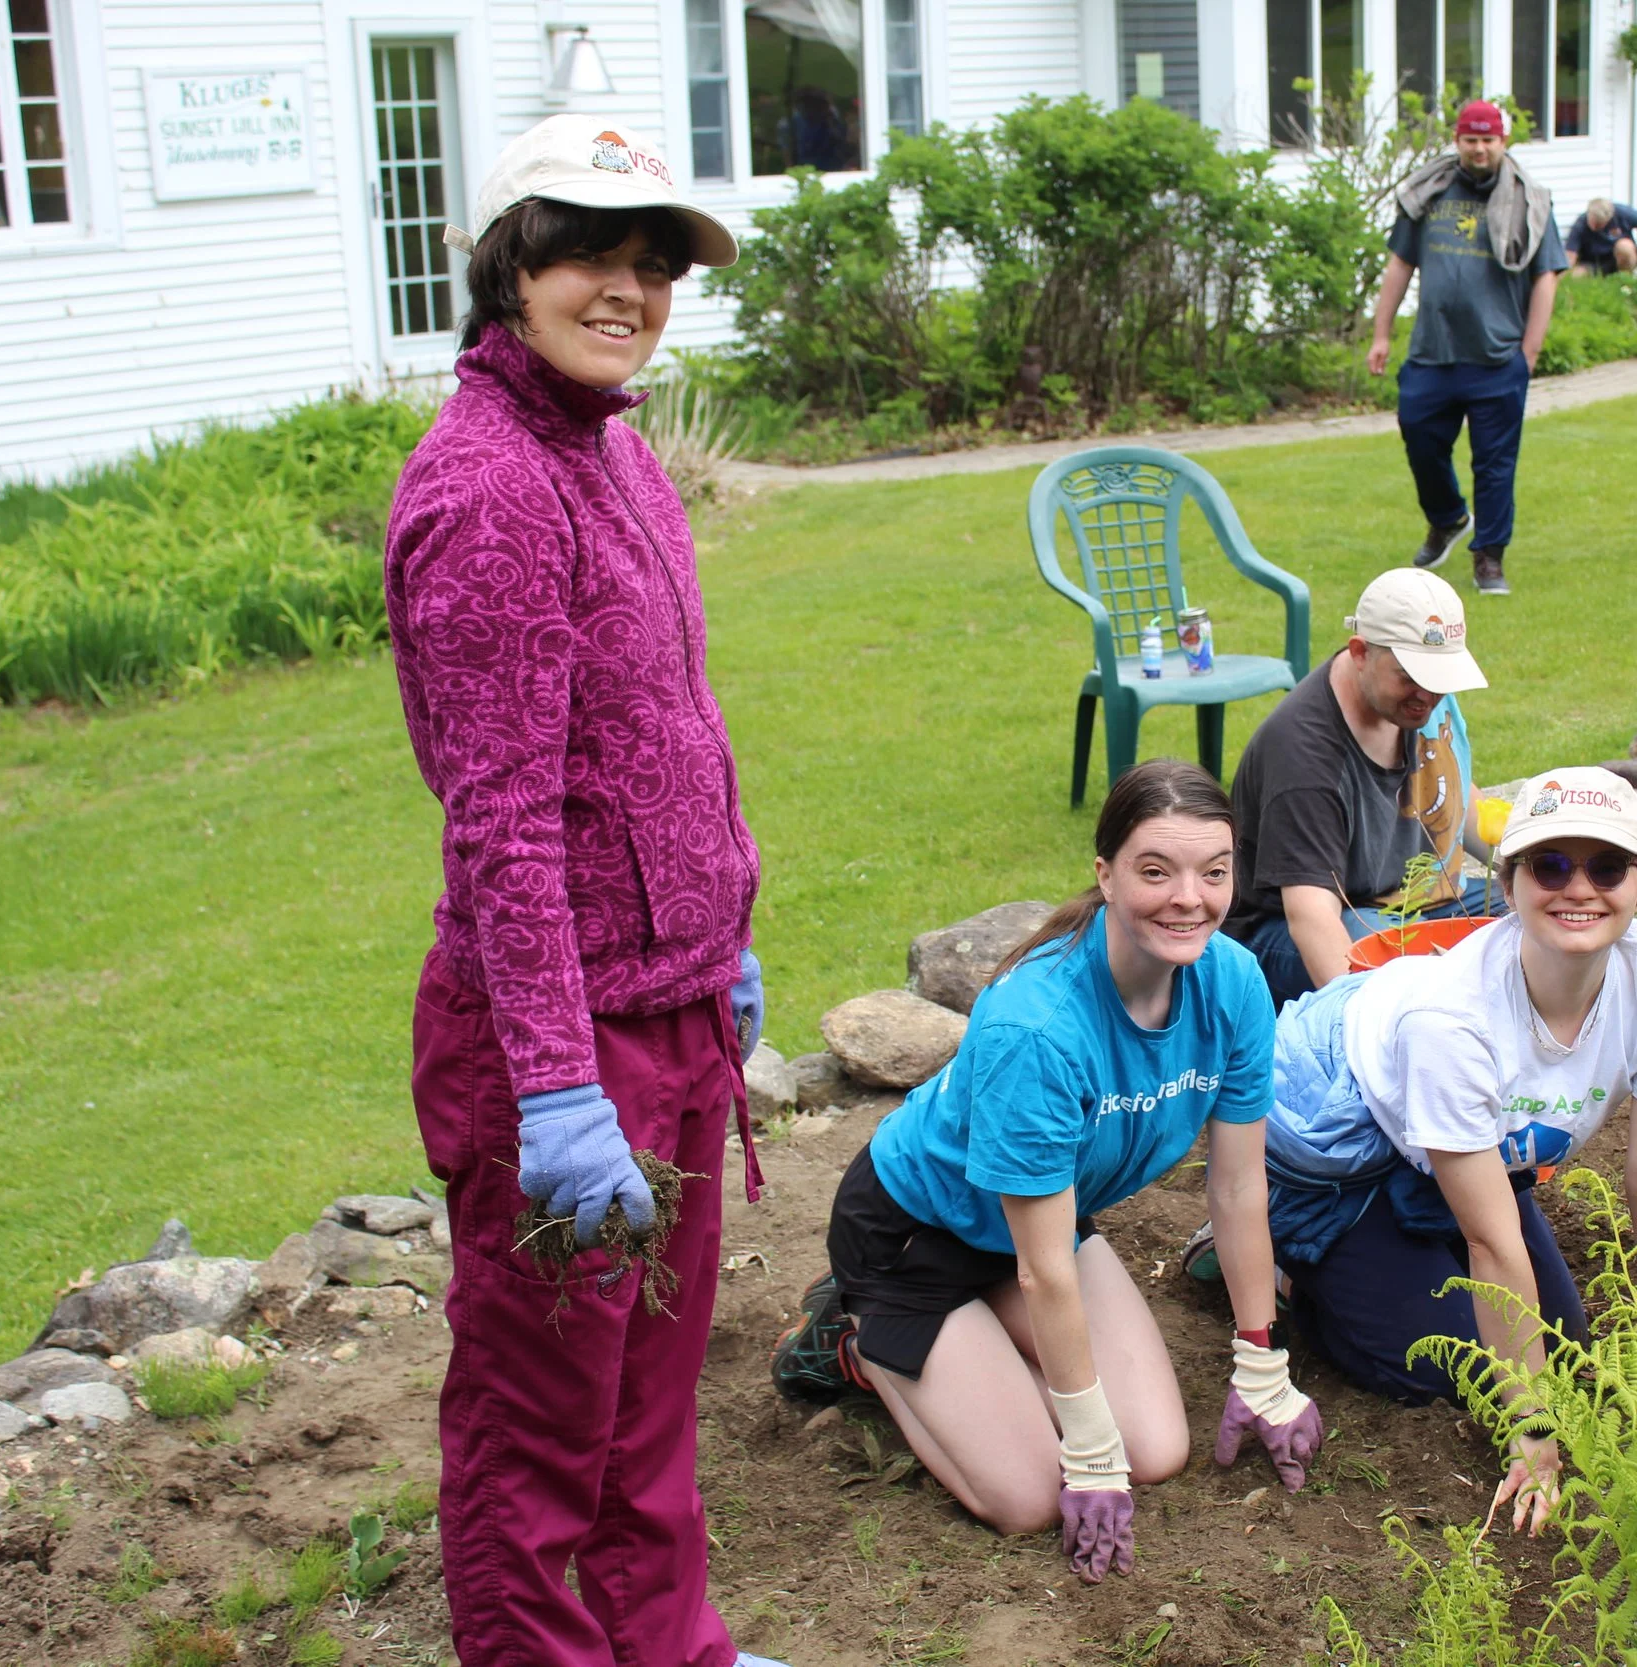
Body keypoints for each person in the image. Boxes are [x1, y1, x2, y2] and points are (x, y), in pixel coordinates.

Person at [385, 117, 787, 1667]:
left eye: (653, 263)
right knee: (539, 1426)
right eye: (589, 255)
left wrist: (724, 939)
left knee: (642, 1399)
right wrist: (554, 1082)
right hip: (560, 1044)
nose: (625, 289)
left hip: (671, 1004)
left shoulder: (613, 449)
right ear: (511, 265)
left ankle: (669, 1642)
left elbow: (665, 728)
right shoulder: (489, 491)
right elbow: (503, 824)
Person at [773, 761, 1321, 1583]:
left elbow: (1239, 1187)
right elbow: (1043, 1270)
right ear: (1104, 875)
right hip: (915, 1237)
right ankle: (852, 1339)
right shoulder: (1038, 1026)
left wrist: (1260, 1359)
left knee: (1160, 1450)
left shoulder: (1234, 983)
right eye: (1155, 870)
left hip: (1040, 1224)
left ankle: (975, 1362)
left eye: (1213, 872)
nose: (1189, 898)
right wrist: (1091, 1454)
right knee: (1034, 1493)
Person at [1260, 769, 1637, 1526]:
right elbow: (1490, 1235)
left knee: (1563, 1344)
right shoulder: (1456, 1017)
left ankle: (1384, 1245)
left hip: (1457, 1145)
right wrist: (1531, 1429)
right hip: (1334, 1134)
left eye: (1606, 866)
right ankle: (1279, 1259)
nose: (1579, 887)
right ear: (1508, 884)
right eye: (1551, 865)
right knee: (1457, 1369)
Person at [1222, 569, 1497, 1011]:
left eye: (1440, 674)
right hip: (1308, 923)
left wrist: (1533, 863)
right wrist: (1377, 1028)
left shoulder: (1418, 697)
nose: (1428, 694)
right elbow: (1310, 918)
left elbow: (1453, 791)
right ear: (1360, 652)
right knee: (1405, 969)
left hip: (1422, 900)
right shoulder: (1305, 757)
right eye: (1411, 675)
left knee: (1539, 923)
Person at [1367, 99, 1568, 598]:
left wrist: (1530, 351)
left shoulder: (1530, 200)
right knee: (1419, 437)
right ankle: (1449, 517)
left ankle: (1489, 558)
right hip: (1432, 353)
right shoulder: (1428, 192)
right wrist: (1382, 334)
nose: (1479, 150)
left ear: (1503, 143)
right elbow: (1399, 265)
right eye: (1470, 140)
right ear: (1457, 142)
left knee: (1495, 464)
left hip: (1497, 357)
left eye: (1488, 140)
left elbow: (1546, 276)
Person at [1567, 199, 1637, 275]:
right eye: (1592, 222)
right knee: (1576, 275)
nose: (1594, 227)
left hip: (1617, 259)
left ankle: (1626, 280)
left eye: (1599, 224)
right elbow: (1570, 255)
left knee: (1625, 246)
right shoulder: (1580, 224)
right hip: (1592, 262)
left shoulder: (1622, 213)